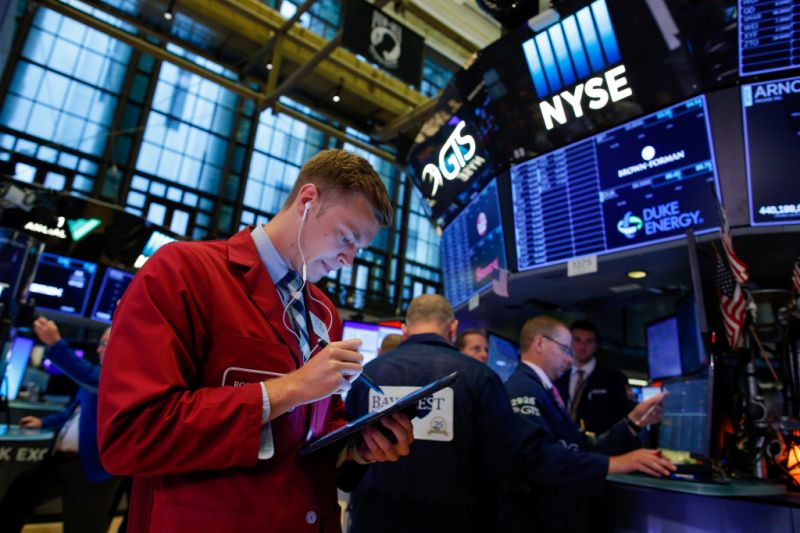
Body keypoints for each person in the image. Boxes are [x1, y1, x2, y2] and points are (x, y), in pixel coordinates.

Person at [97, 150, 414, 533]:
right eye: (346, 237)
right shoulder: (183, 271)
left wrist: (354, 449)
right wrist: (290, 388)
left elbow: (306, 434)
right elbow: (131, 435)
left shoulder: (324, 312)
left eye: (358, 249)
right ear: (307, 201)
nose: (348, 260)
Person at [343, 295, 640, 533]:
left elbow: (349, 461)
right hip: (456, 521)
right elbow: (504, 467)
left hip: (375, 518)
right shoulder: (479, 377)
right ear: (453, 329)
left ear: (405, 330)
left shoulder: (366, 376)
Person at [504, 316, 673, 533]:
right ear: (539, 343)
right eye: (565, 349)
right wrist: (616, 464)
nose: (569, 360)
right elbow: (538, 457)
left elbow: (582, 446)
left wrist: (633, 422)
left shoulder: (542, 389)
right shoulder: (522, 389)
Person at [0, 319, 121, 533]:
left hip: (91, 467)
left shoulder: (118, 379)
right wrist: (43, 422)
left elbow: (88, 375)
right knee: (19, 494)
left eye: (105, 343)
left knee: (83, 526)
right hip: (64, 460)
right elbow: (75, 414)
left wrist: (56, 343)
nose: (98, 348)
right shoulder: (96, 377)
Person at [554, 319, 636, 434]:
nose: (582, 346)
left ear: (596, 346)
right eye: (577, 340)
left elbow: (625, 418)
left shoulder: (613, 378)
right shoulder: (559, 377)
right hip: (566, 445)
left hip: (601, 447)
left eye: (589, 341)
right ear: (569, 342)